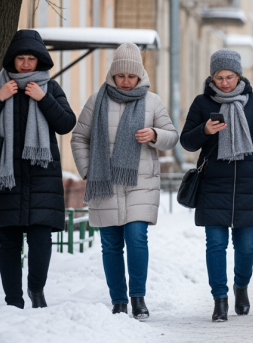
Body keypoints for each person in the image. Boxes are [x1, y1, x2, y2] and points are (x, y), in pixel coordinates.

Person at [70, 43, 178, 319]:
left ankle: (138, 298)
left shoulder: (152, 101)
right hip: (104, 184)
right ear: (112, 75)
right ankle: (118, 300)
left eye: (132, 76)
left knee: (137, 238)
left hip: (140, 182)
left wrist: (154, 134)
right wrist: (88, 171)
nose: (127, 82)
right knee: (111, 244)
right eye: (121, 76)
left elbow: (171, 136)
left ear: (140, 75)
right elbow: (79, 138)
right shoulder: (97, 100)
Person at [0, 30, 77, 309]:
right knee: (9, 241)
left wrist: (44, 98)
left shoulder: (49, 88)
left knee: (41, 239)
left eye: (31, 58)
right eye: (21, 58)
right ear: (12, 60)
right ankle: (13, 301)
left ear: (40, 60)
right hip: (6, 177)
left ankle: (36, 290)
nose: (26, 64)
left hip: (42, 176)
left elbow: (66, 123)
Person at [180, 49, 253, 322]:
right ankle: (220, 299)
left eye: (230, 77)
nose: (225, 83)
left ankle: (241, 286)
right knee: (215, 244)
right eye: (219, 77)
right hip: (213, 185)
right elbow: (187, 141)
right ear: (212, 77)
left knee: (246, 246)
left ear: (239, 76)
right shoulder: (202, 103)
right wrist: (204, 130)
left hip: (249, 184)